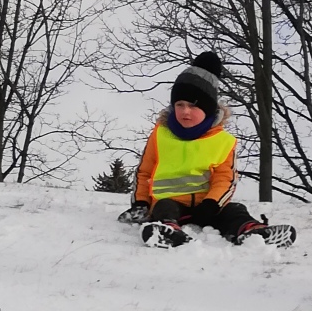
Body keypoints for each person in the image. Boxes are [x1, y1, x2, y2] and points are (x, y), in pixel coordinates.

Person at [123, 51, 295, 248]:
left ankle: (251, 232)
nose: (185, 111)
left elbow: (225, 179)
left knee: (235, 210)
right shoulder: (160, 135)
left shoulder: (223, 141)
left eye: (193, 106)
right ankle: (167, 230)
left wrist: (212, 204)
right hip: (171, 202)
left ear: (207, 110)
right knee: (164, 207)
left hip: (207, 206)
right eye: (180, 104)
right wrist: (140, 203)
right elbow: (144, 172)